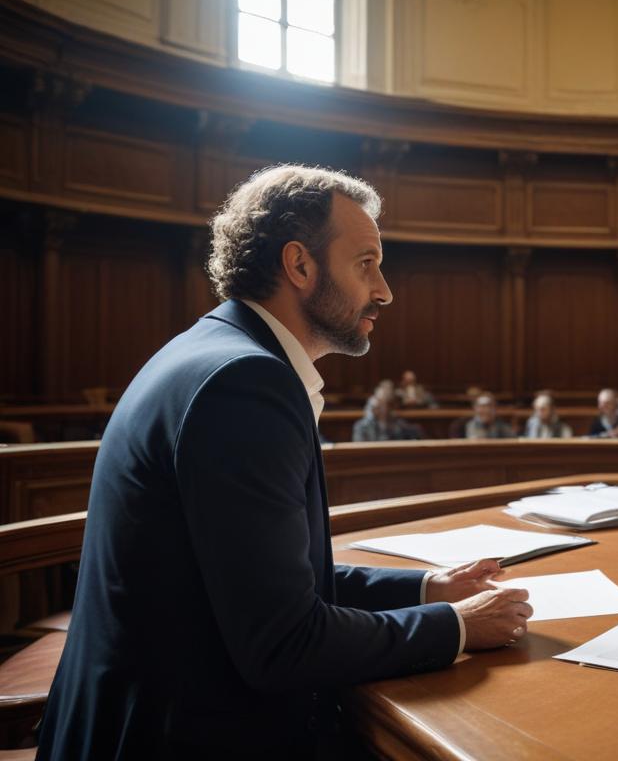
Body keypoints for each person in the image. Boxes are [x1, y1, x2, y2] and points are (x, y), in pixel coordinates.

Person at [37, 166, 533, 760]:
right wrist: (457, 625)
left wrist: (429, 586)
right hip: (169, 739)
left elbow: (264, 578)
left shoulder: (215, 350)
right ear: (299, 265)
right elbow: (285, 642)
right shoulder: (245, 384)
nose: (384, 291)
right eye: (366, 264)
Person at [353, 389, 423, 442]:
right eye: (378, 406)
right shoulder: (362, 426)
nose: (383, 409)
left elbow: (415, 434)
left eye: (385, 405)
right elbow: (358, 447)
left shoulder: (397, 423)